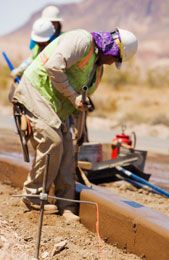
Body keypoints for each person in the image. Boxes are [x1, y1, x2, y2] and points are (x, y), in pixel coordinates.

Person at [11, 28, 138, 219]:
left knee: (68, 151)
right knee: (53, 141)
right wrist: (73, 97)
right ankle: (32, 195)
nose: (113, 63)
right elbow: (53, 67)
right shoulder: (81, 41)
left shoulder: (97, 70)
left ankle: (67, 205)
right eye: (115, 58)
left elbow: (80, 100)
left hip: (56, 107)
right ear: (112, 48)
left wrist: (78, 128)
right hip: (35, 92)